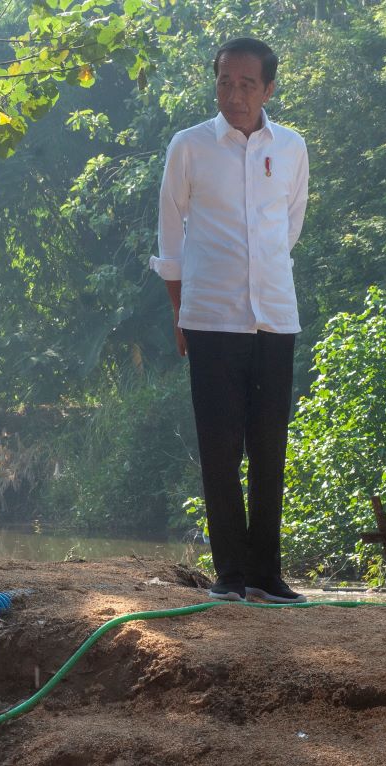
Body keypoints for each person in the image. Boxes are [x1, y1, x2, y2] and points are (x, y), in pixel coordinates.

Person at [150, 37, 309, 603]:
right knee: (220, 446)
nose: (234, 95)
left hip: (275, 316)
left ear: (269, 89)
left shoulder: (291, 147)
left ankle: (267, 574)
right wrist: (180, 310)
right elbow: (170, 236)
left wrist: (260, 273)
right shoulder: (189, 146)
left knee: (270, 445)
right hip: (211, 316)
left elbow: (289, 226)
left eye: (247, 85)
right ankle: (230, 574)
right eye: (224, 82)